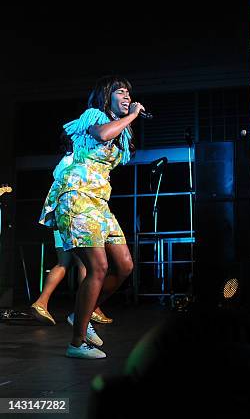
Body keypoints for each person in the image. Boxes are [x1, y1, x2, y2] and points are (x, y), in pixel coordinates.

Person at [38, 75, 142, 359]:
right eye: (121, 92)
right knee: (98, 267)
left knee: (124, 266)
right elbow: (102, 135)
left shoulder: (122, 130)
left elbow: (116, 148)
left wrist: (128, 123)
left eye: (129, 95)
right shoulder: (94, 115)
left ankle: (81, 311)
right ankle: (77, 342)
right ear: (106, 96)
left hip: (99, 202)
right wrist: (131, 117)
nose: (127, 98)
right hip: (77, 196)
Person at [31, 133, 113, 326]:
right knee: (88, 265)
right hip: (72, 216)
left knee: (64, 263)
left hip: (60, 218)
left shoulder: (64, 161)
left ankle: (41, 302)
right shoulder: (76, 161)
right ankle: (90, 309)